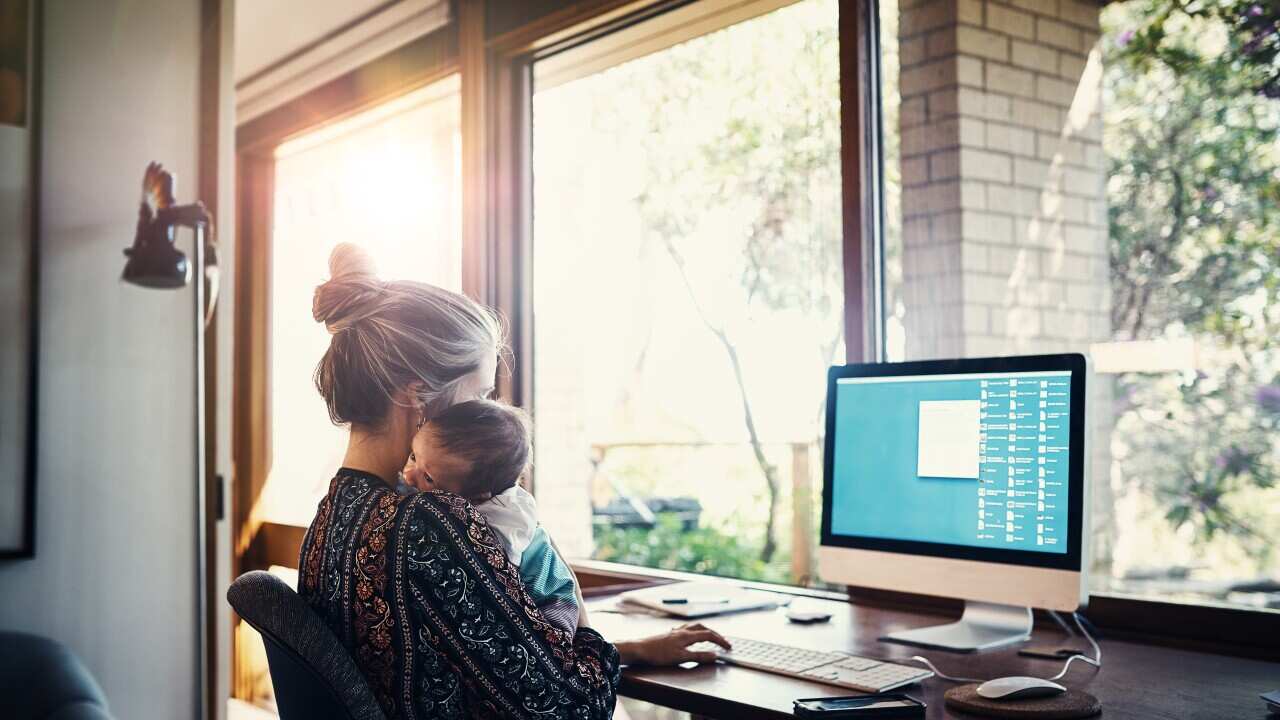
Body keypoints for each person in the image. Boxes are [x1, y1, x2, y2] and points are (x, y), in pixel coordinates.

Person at [297, 243, 730, 720]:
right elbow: (572, 710)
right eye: (480, 394)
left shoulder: (334, 515)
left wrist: (631, 650)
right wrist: (574, 601)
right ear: (418, 394)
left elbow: (473, 657)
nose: (486, 414)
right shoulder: (430, 525)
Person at [400, 398, 582, 637]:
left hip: (552, 598)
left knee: (553, 637)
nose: (409, 476)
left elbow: (498, 571)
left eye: (429, 478)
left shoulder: (502, 521)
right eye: (413, 456)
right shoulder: (448, 486)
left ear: (476, 496)